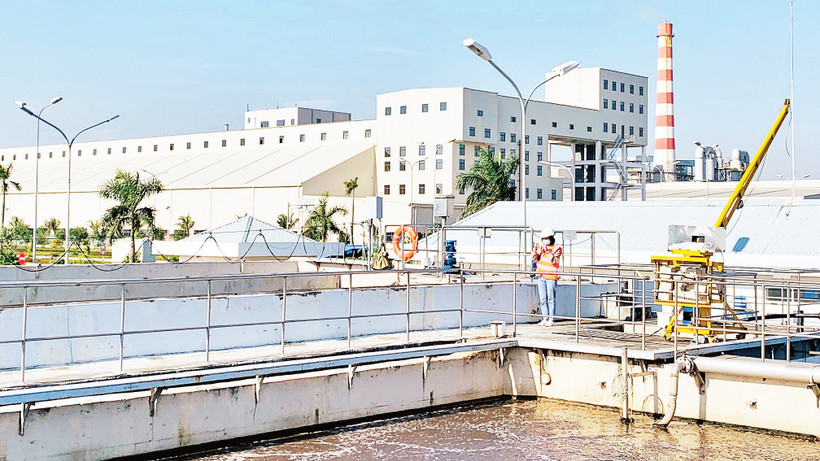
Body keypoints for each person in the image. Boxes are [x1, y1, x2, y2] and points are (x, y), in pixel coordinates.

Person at [532, 228, 563, 326]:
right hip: (541, 275)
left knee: (551, 299)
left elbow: (553, 259)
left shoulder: (557, 249)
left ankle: (551, 319)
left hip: (551, 276)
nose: (545, 240)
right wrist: (535, 249)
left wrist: (545, 249)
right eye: (543, 238)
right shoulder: (541, 248)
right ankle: (544, 318)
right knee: (543, 299)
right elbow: (534, 257)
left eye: (546, 238)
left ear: (551, 238)